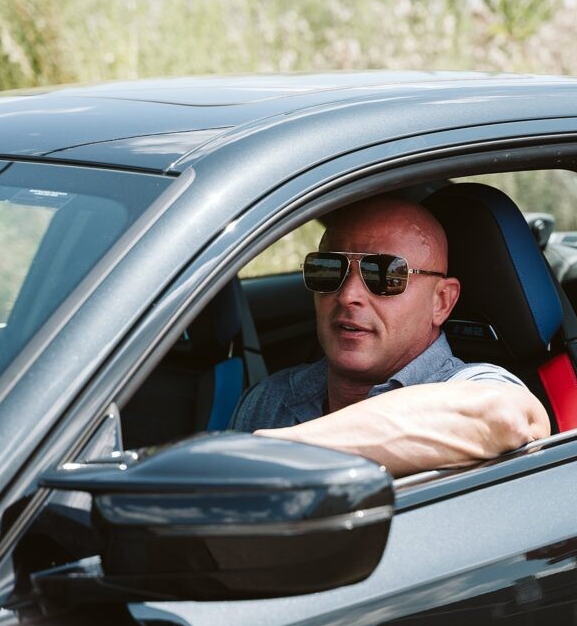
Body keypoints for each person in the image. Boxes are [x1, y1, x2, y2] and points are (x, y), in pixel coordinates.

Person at [231, 195, 550, 477]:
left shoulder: (468, 384)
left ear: (441, 302)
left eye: (384, 275)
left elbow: (504, 417)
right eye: (328, 268)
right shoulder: (270, 399)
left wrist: (269, 452)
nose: (348, 295)